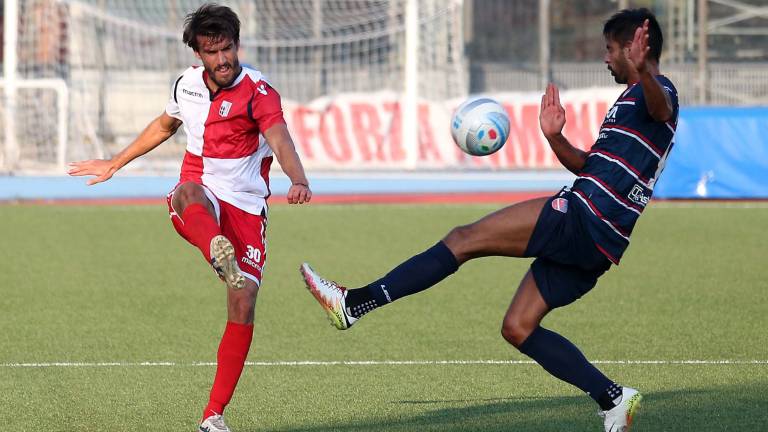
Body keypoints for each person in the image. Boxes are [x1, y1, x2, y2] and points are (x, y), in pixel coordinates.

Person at [301, 8, 676, 432]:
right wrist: (554, 138)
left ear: (634, 49)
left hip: (584, 218)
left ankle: (354, 303)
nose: (605, 59)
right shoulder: (629, 102)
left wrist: (645, 72)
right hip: (600, 241)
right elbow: (589, 166)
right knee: (518, 328)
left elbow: (661, 108)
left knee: (464, 239)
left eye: (610, 50)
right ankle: (613, 398)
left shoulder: (658, 90)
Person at [68, 4, 312, 432]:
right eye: (213, 51)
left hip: (247, 207)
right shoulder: (186, 85)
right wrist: (115, 162)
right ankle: (215, 248)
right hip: (202, 196)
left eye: (229, 48)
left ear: (238, 45)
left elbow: (280, 137)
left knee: (243, 301)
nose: (223, 59)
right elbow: (164, 126)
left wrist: (298, 178)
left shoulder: (259, 92)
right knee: (185, 191)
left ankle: (213, 417)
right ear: (198, 54)